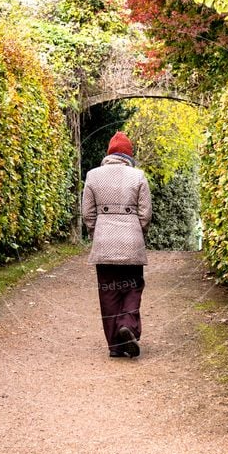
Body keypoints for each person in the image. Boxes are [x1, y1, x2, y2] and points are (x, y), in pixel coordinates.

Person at [82, 131, 152, 358]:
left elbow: (87, 213)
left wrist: (96, 232)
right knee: (132, 286)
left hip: (104, 242)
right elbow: (146, 213)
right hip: (131, 241)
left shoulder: (93, 176)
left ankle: (115, 345)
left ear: (108, 155)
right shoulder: (138, 176)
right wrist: (138, 232)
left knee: (108, 292)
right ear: (129, 156)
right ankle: (127, 325)